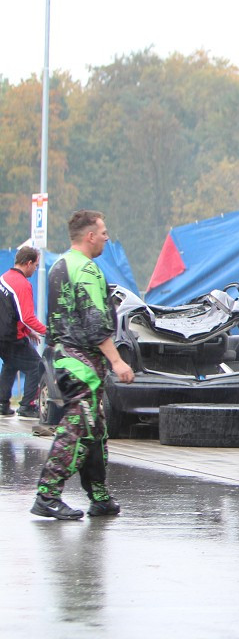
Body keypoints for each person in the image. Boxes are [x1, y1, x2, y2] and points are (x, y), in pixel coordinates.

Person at [30, 210, 134, 521]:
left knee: (96, 430)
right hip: (82, 364)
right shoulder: (87, 271)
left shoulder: (59, 265)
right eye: (103, 232)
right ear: (89, 236)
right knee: (78, 427)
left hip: (63, 357)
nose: (106, 237)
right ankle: (47, 494)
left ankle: (100, 497)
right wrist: (117, 361)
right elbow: (95, 323)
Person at [0, 246, 47, 418]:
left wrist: (29, 332)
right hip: (11, 338)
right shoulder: (22, 284)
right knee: (36, 366)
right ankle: (28, 405)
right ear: (28, 263)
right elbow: (27, 317)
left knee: (11, 364)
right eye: (36, 265)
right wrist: (47, 332)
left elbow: (12, 312)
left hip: (3, 336)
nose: (35, 269)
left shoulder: (4, 278)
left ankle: (2, 403)